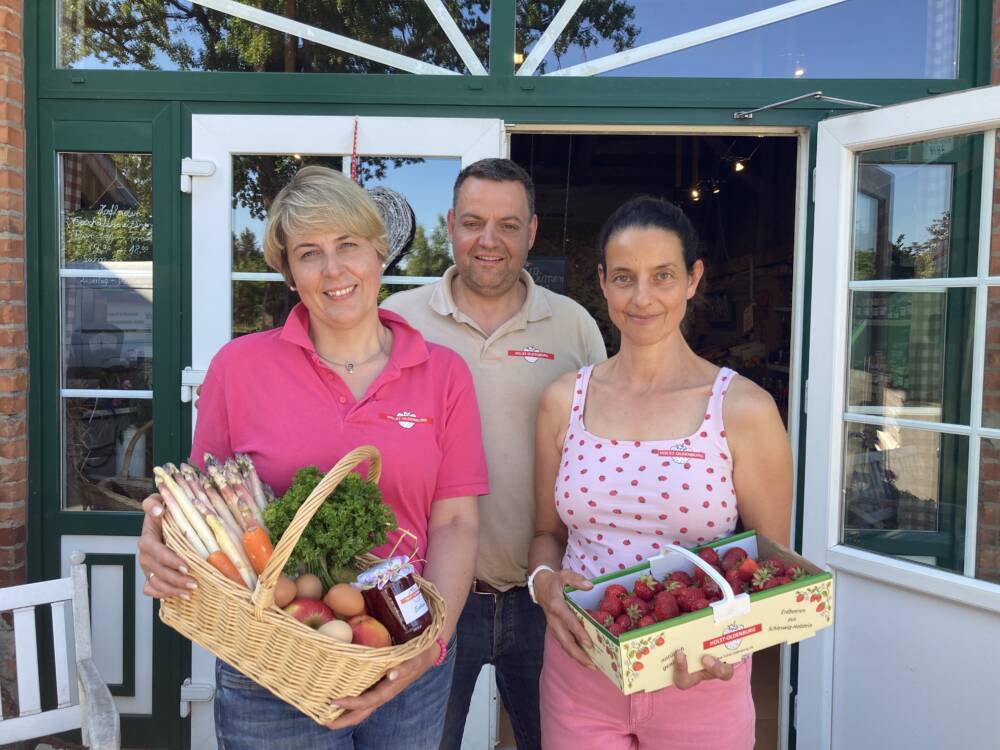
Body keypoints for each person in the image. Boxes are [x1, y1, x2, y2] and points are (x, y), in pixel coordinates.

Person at [137, 166, 488, 749]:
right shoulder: (240, 369)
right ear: (290, 274)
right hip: (273, 661)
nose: (333, 270)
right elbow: (202, 502)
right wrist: (158, 536)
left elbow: (455, 520)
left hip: (405, 654)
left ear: (380, 252)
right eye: (309, 253)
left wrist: (428, 649)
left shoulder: (443, 374)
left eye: (348, 245)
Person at [528, 196, 793, 750]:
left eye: (663, 276)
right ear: (602, 282)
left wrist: (728, 645)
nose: (642, 298)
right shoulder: (563, 400)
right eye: (624, 277)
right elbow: (547, 535)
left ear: (694, 279)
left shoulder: (743, 408)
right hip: (581, 670)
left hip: (697, 682)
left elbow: (767, 567)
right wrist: (546, 586)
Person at [381, 158, 606, 750]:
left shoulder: (574, 328)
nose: (489, 241)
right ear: (451, 224)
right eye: (474, 222)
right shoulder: (397, 321)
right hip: (427, 594)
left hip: (545, 594)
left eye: (508, 225)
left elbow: (604, 453)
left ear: (532, 232)